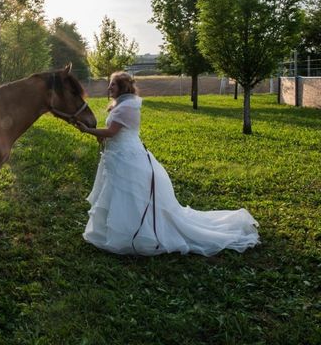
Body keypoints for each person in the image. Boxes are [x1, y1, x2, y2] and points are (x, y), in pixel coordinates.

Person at [75, 71, 259, 256]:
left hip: (127, 156)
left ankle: (132, 234)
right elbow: (115, 132)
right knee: (117, 194)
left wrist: (88, 130)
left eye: (113, 84)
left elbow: (112, 132)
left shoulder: (126, 107)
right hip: (119, 154)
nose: (109, 88)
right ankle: (112, 231)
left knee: (128, 194)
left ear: (122, 87)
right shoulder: (123, 104)